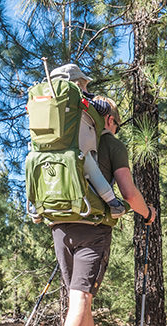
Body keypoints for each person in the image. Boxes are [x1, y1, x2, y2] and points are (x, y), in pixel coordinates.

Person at [50, 86, 157, 326]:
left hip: (60, 223)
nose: (116, 126)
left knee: (79, 297)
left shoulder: (71, 142)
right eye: (117, 122)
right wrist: (147, 214)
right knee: (81, 297)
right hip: (93, 229)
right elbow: (129, 193)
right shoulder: (111, 144)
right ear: (109, 119)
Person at [48, 63, 125, 218]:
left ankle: (36, 207)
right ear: (78, 84)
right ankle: (113, 202)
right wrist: (89, 99)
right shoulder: (76, 97)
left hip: (49, 151)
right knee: (88, 163)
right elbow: (103, 107)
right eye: (85, 87)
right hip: (75, 149)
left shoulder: (46, 100)